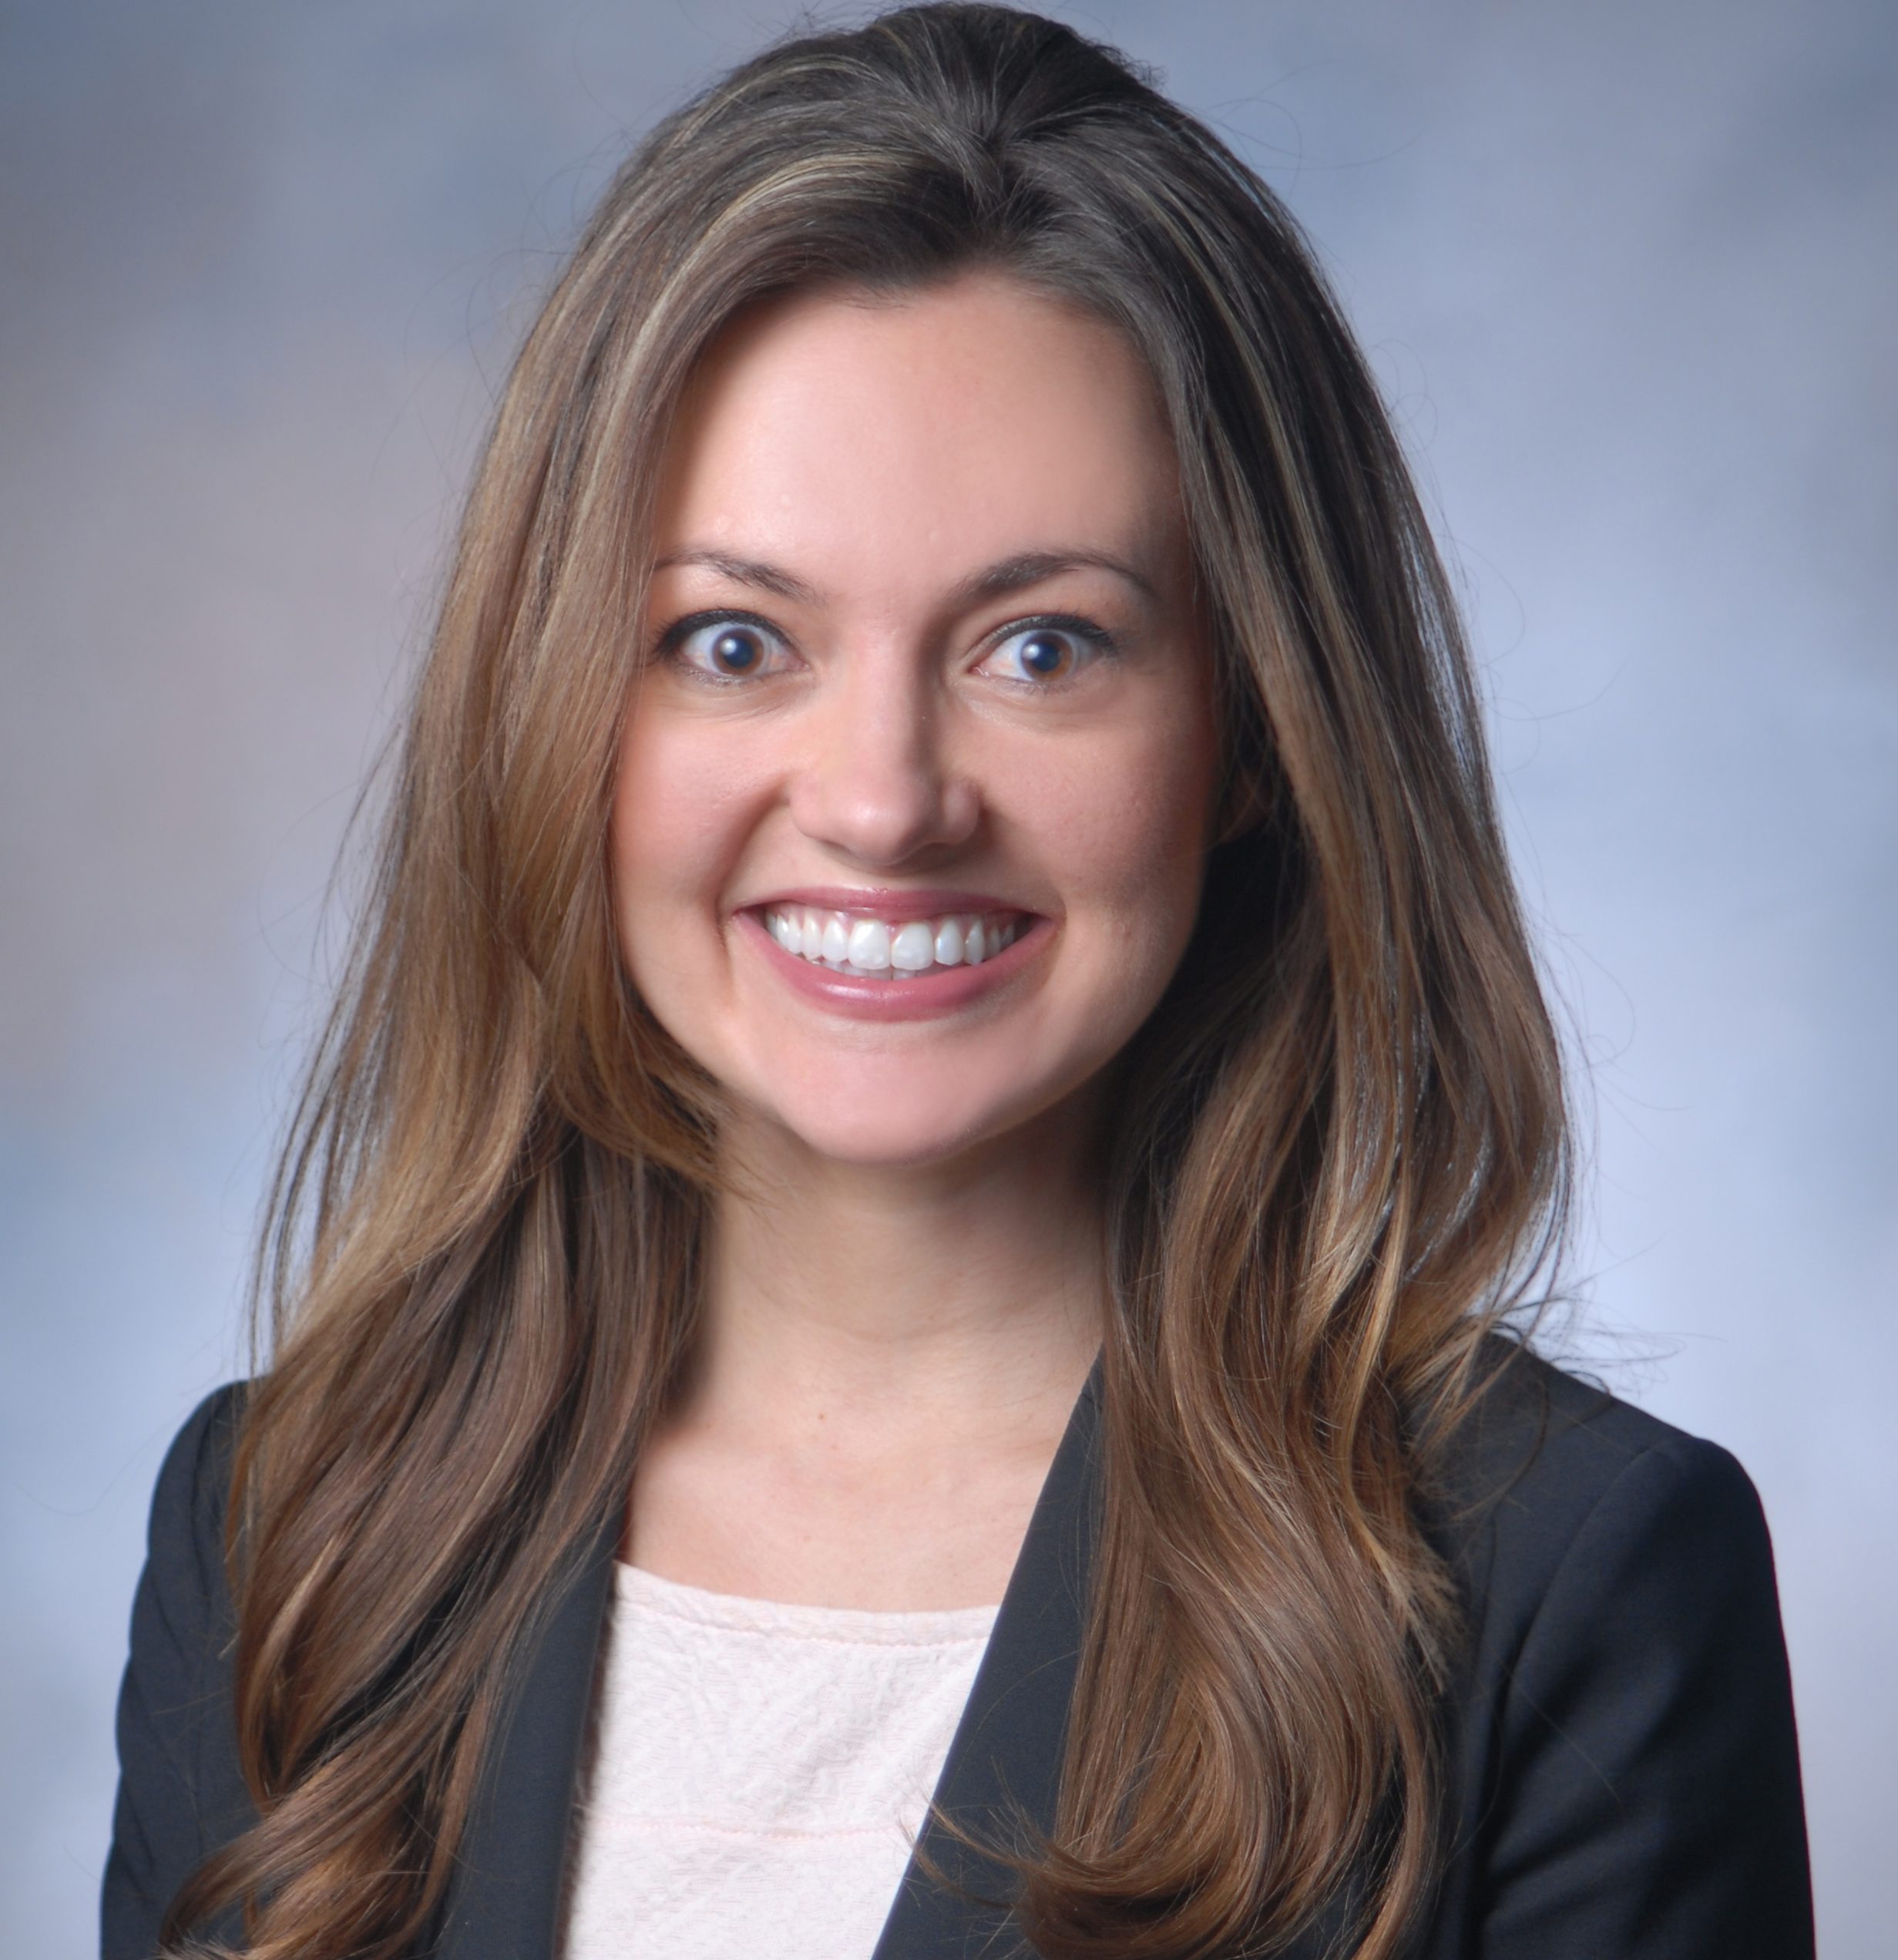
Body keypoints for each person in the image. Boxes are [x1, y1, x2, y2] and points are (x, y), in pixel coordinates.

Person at [101, 7, 1813, 1958]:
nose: (883, 803)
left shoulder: (1553, 1587)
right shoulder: (282, 1538)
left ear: (1255, 729)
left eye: (1042, 648)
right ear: (552, 700)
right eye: (735, 643)